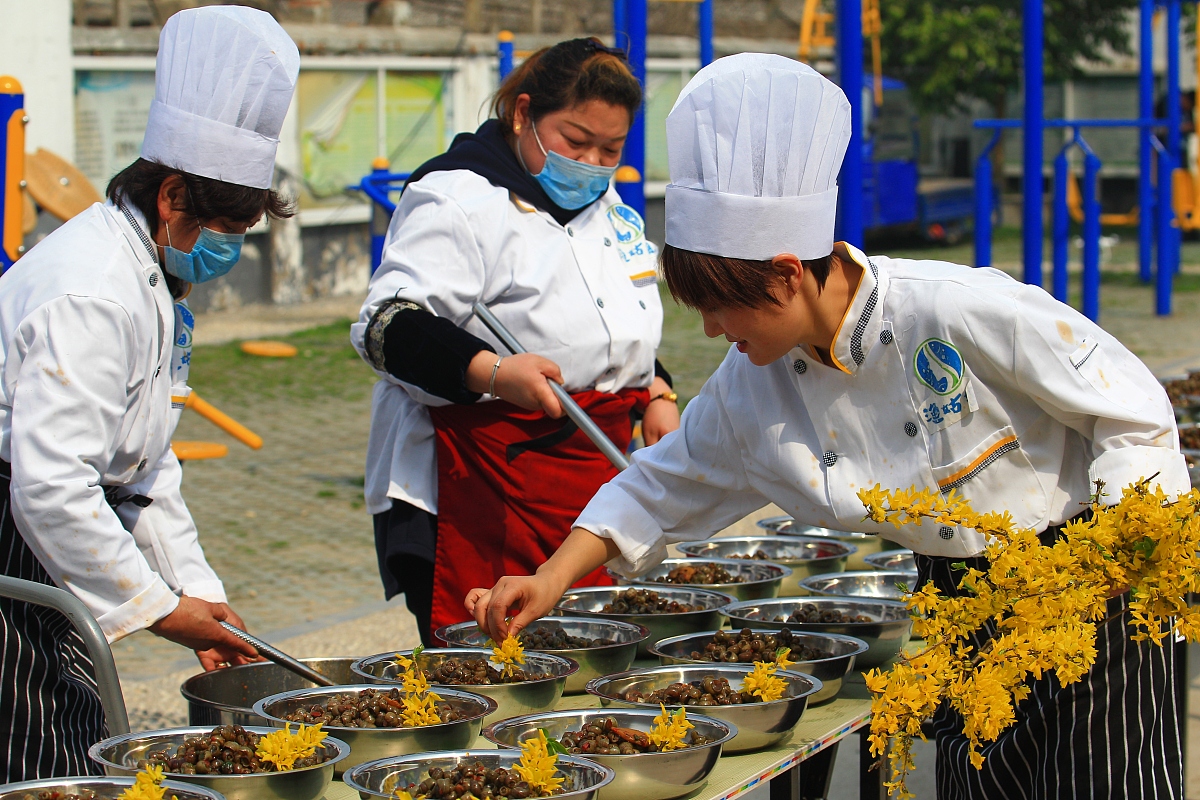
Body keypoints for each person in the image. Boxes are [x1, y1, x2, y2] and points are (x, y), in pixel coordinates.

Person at [467, 54, 1189, 799]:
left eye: (720, 305)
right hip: (959, 608)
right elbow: (660, 484)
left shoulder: (954, 308)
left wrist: (1125, 557)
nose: (711, 330)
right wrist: (551, 579)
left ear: (786, 274)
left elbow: (1132, 411)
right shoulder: (753, 382)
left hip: (1098, 594)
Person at [0, 6, 298, 781]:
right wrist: (159, 609)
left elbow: (143, 466)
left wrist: (195, 591)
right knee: (45, 754)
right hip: (14, 526)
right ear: (172, 198)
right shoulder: (94, 291)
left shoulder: (153, 279)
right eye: (225, 226)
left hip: (52, 523)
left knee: (80, 724)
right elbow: (53, 484)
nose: (230, 247)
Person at [351, 38, 680, 646]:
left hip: (589, 478)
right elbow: (386, 327)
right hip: (481, 482)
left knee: (588, 664)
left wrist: (657, 388)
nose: (591, 163)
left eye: (610, 150)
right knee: (494, 669)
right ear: (524, 114)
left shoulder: (607, 206)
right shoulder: (458, 198)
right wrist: (496, 373)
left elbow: (609, 323)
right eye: (575, 141)